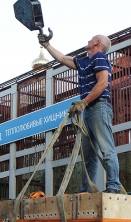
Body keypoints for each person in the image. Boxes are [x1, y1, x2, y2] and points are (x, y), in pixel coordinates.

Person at [38, 31, 121, 193]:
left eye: (91, 38)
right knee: (88, 154)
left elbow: (103, 83)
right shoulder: (85, 62)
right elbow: (62, 58)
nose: (88, 40)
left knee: (106, 148)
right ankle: (87, 189)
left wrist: (84, 102)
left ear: (97, 42)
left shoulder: (99, 58)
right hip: (89, 110)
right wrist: (47, 45)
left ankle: (113, 186)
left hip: (99, 107)